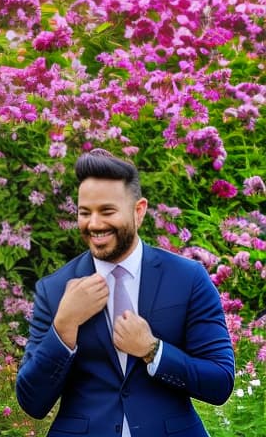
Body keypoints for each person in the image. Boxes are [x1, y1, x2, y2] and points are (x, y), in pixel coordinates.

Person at [16, 149, 235, 437]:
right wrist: (64, 325)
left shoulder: (188, 278)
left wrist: (153, 351)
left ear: (139, 210)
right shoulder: (55, 289)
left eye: (107, 211)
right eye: (85, 213)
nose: (94, 224)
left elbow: (219, 382)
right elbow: (32, 402)